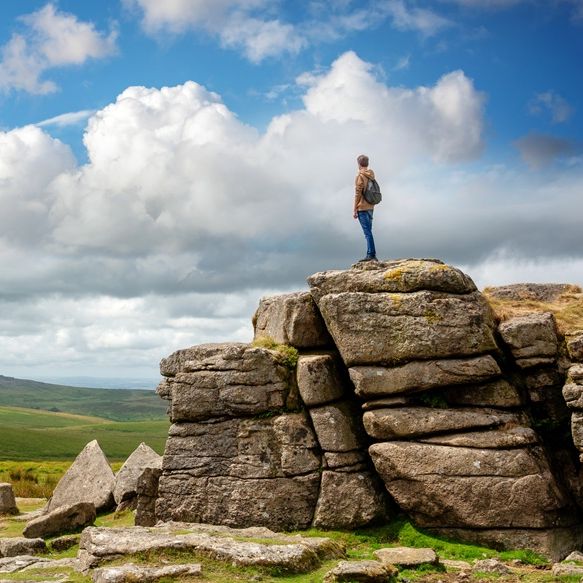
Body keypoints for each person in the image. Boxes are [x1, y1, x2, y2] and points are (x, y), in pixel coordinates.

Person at [353, 154, 378, 261]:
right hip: (371, 207)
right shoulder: (371, 175)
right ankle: (371, 254)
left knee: (367, 233)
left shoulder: (360, 176)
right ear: (367, 164)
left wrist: (354, 208)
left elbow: (358, 193)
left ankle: (371, 255)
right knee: (369, 232)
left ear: (359, 164)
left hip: (362, 208)